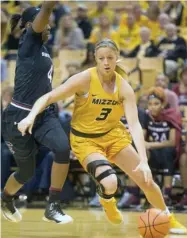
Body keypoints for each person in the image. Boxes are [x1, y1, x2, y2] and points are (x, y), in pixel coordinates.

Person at [17, 39, 186, 234]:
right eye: (101, 58)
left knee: (146, 180)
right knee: (110, 182)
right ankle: (106, 198)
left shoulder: (124, 88)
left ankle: (167, 217)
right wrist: (30, 116)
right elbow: (48, 97)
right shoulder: (84, 79)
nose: (106, 62)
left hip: (114, 136)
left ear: (117, 59)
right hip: (86, 141)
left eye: (110, 58)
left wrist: (144, 161)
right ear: (96, 60)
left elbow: (134, 124)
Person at [1, 2, 73, 224]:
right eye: (46, 24)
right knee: (26, 173)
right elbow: (47, 9)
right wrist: (49, 6)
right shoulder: (28, 42)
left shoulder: (42, 49)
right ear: (32, 25)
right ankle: (6, 199)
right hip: (18, 116)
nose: (49, 27)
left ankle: (52, 206)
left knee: (62, 149)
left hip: (44, 114)